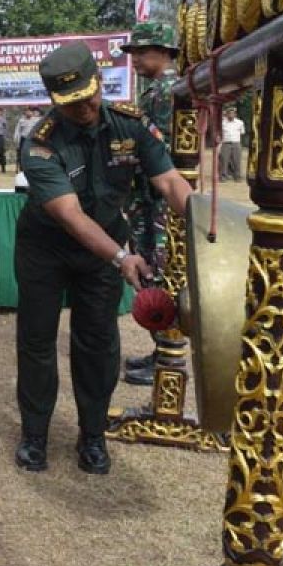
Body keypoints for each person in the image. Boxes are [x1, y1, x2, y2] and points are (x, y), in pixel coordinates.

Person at [14, 42, 191, 475]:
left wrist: (206, 225)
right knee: (37, 342)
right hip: (47, 248)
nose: (85, 108)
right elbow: (71, 217)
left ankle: (92, 435)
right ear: (56, 101)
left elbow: (169, 181)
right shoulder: (40, 145)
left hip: (105, 249)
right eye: (72, 103)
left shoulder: (129, 124)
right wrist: (120, 257)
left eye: (90, 96)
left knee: (97, 342)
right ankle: (34, 435)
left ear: (99, 82)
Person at [118, 22, 179, 386]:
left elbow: (163, 149)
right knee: (150, 272)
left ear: (165, 52)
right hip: (146, 196)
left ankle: (167, 355)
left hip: (158, 199)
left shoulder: (167, 93)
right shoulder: (154, 91)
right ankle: (161, 350)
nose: (136, 59)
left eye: (142, 52)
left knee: (158, 271)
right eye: (133, 53)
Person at [219, 106, 246, 182]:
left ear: (235, 114)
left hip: (236, 143)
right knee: (224, 160)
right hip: (225, 143)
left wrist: (240, 144)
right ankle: (223, 176)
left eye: (232, 113)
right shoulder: (222, 122)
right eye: (229, 113)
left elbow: (242, 133)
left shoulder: (240, 123)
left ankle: (237, 177)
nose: (231, 114)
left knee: (237, 161)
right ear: (226, 114)